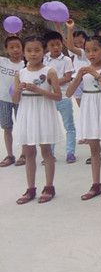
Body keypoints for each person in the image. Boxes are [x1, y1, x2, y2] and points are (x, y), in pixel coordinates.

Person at [66, 36, 101, 200]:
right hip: (89, 108)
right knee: (94, 149)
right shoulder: (83, 70)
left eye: (95, 50)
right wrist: (78, 77)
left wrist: (97, 76)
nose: (91, 54)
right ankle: (95, 184)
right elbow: (68, 93)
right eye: (88, 51)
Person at [13, 37, 63, 204]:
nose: (33, 54)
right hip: (27, 113)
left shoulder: (50, 71)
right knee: (28, 152)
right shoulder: (20, 73)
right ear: (24, 52)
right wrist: (18, 90)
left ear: (43, 52)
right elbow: (15, 100)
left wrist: (38, 90)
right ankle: (30, 188)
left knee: (46, 151)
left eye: (37, 50)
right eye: (29, 50)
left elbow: (58, 96)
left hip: (43, 112)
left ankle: (49, 187)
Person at [43, 30, 76, 163]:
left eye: (58, 44)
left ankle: (70, 152)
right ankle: (50, 154)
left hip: (63, 97)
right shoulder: (44, 59)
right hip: (48, 97)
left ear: (62, 44)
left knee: (69, 126)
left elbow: (67, 77)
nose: (56, 47)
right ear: (47, 46)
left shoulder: (66, 60)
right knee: (49, 126)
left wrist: (51, 82)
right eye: (52, 45)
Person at [0, 36, 25, 167]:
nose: (15, 50)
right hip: (4, 100)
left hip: (21, 100)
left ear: (22, 48)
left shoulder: (26, 65)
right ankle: (10, 156)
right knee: (7, 127)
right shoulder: (2, 62)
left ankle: (24, 154)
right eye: (11, 47)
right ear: (6, 49)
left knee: (23, 127)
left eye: (18, 47)